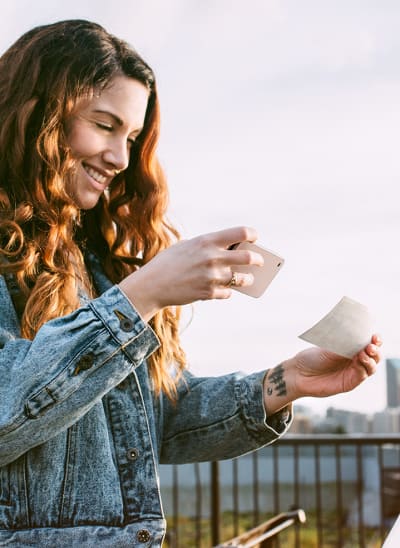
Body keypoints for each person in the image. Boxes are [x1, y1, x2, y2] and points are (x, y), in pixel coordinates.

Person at [0, 19, 381, 547]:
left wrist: (284, 382)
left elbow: (159, 416)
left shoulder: (93, 261)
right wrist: (143, 295)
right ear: (39, 114)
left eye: (131, 136)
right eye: (104, 125)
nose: (120, 158)